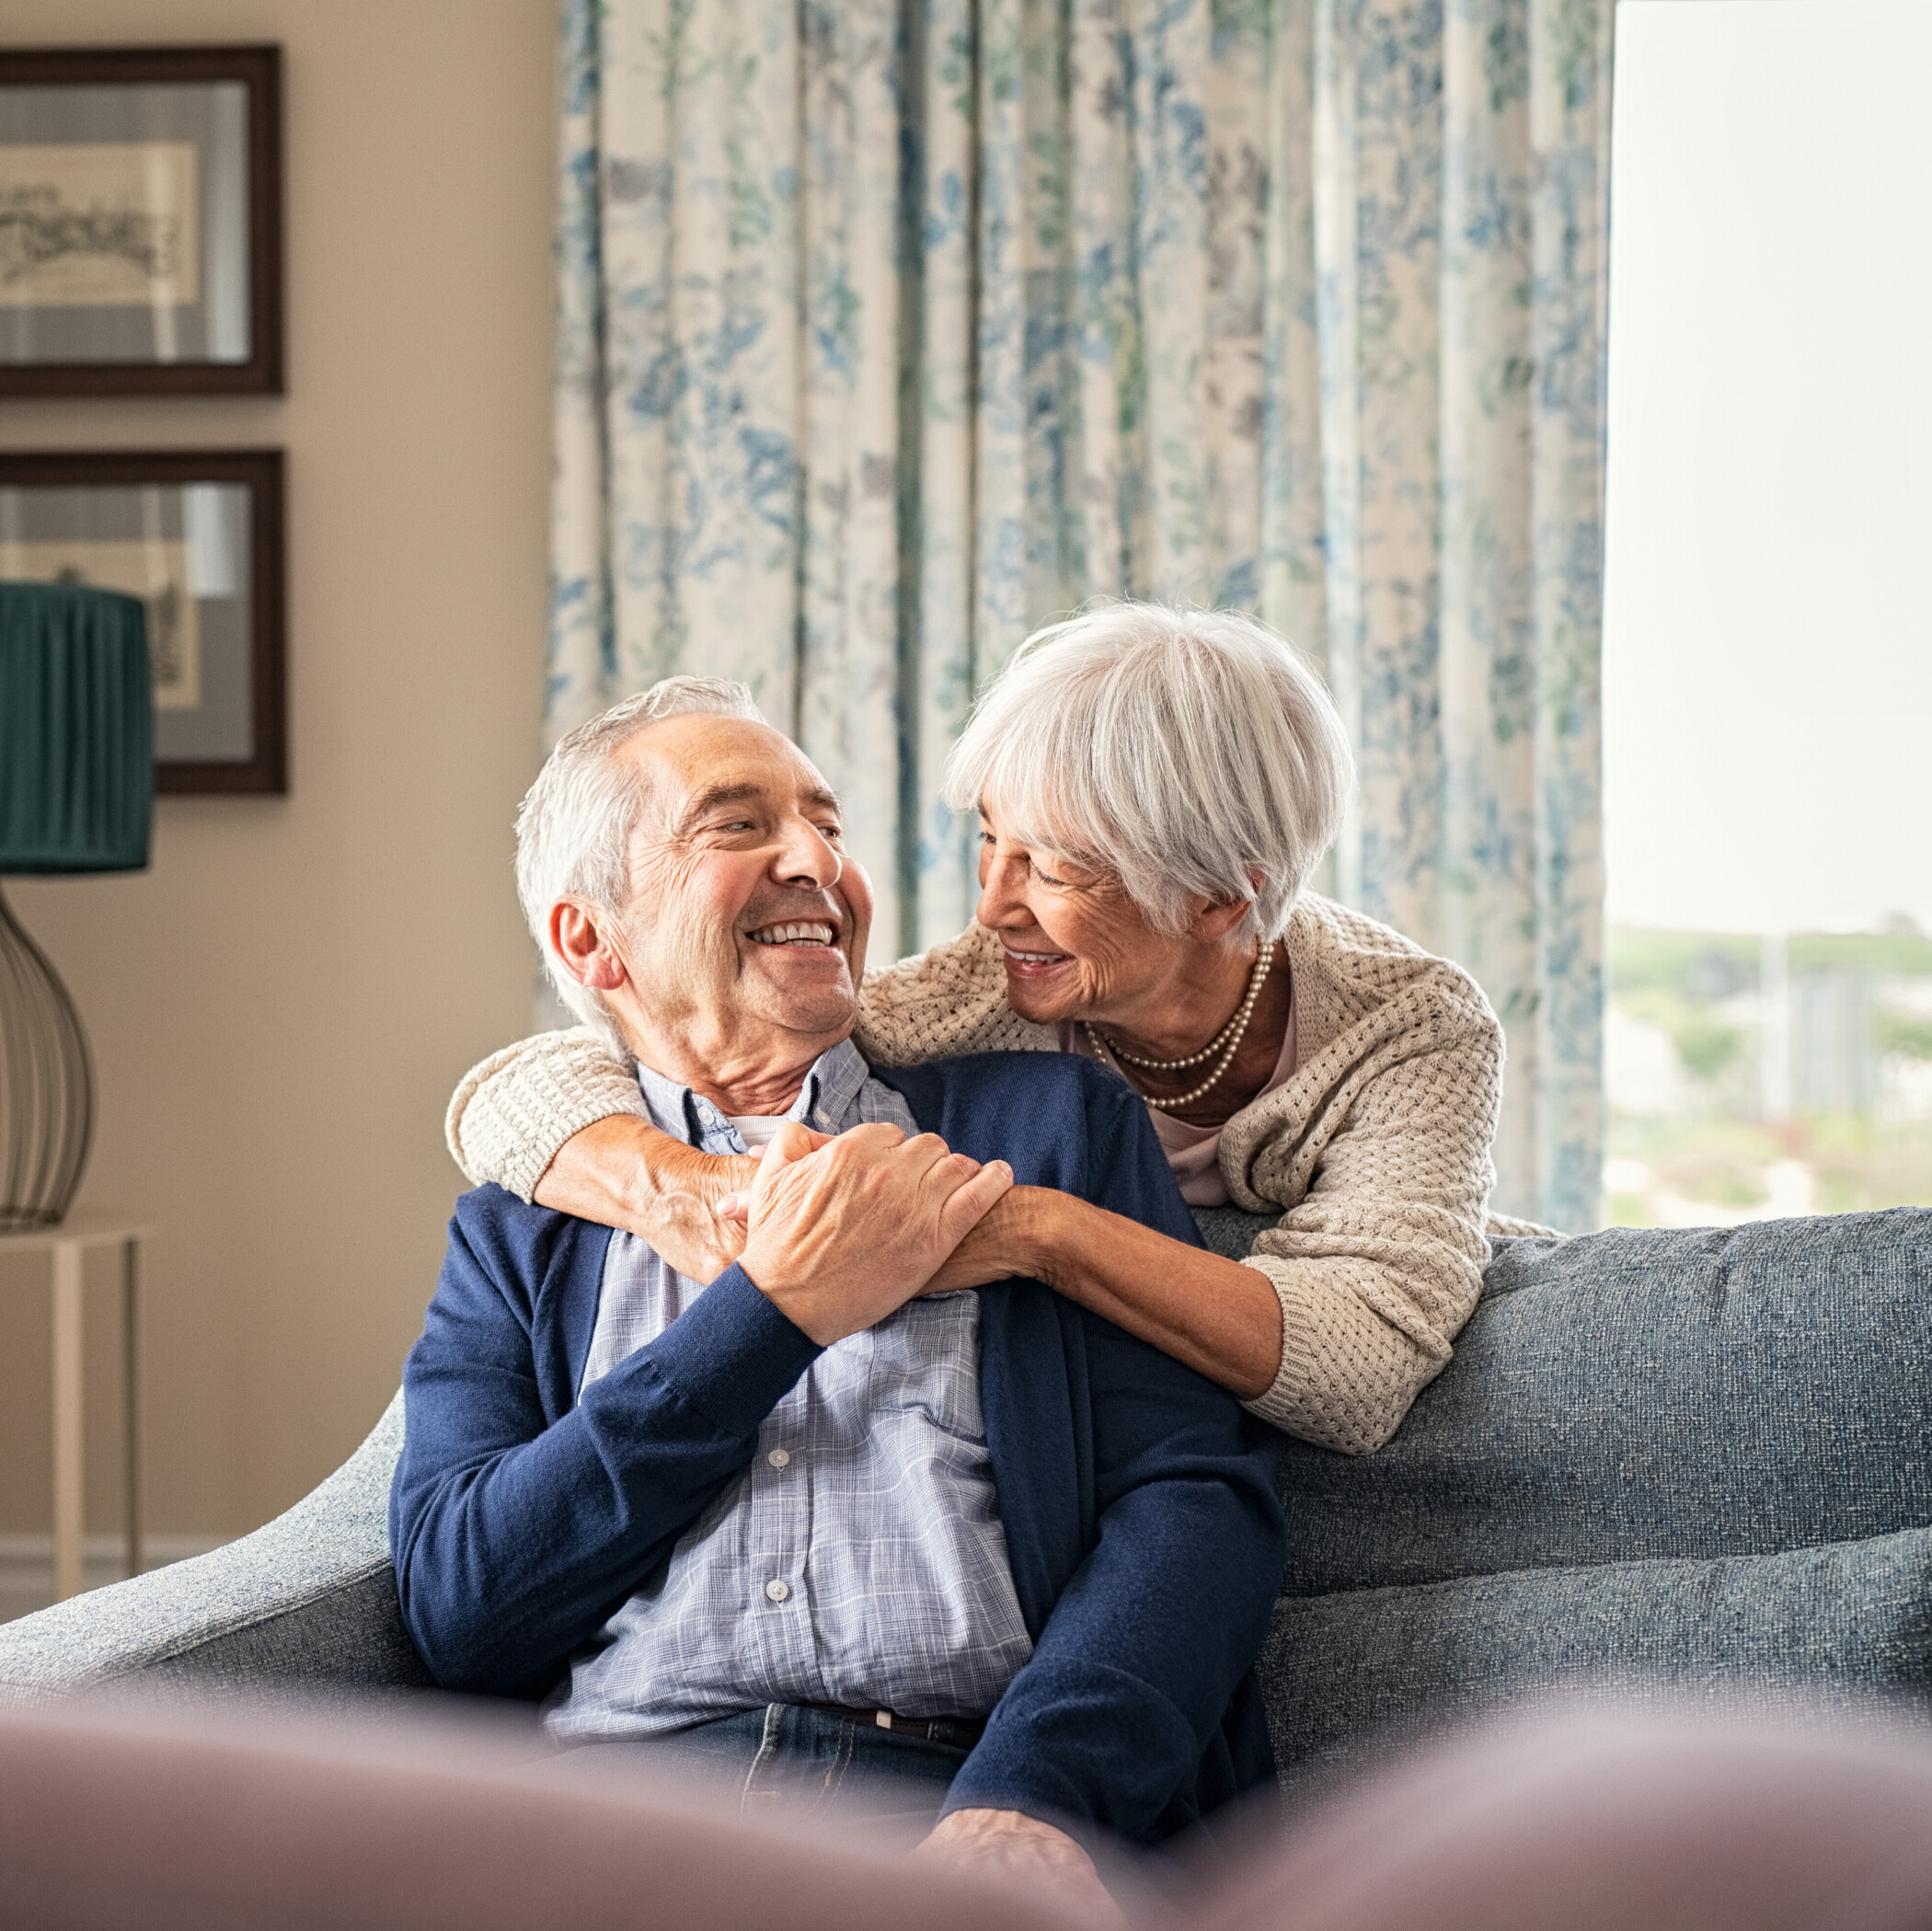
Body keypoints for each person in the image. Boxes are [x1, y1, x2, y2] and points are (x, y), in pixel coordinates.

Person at [391, 680, 1287, 1918]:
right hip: (619, 1825)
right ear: (592, 939)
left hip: (948, 1799)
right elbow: (461, 1604)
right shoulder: (523, 1223)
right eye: (737, 825)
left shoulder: (1044, 1131)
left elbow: (1196, 1505)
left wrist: (1035, 1798)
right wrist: (773, 1313)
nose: (817, 860)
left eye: (829, 825)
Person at [449, 602, 1541, 1456]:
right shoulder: (983, 992)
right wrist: (685, 1189)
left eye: (1054, 867)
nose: (992, 906)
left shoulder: (1411, 1029)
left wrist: (1034, 1232)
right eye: (989, 841)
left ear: (1217, 899)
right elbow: (530, 1082)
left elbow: (1354, 1372)